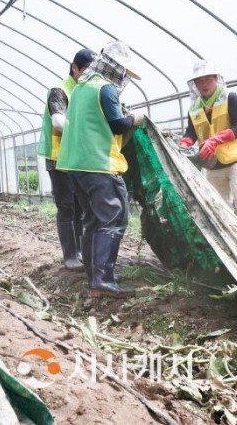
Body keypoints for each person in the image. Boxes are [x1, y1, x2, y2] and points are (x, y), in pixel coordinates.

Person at [56, 41, 145, 299]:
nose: (124, 77)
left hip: (76, 165)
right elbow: (118, 125)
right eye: (123, 72)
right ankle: (103, 280)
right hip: (99, 164)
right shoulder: (104, 88)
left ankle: (94, 275)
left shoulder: (82, 86)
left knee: (93, 220)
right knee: (113, 218)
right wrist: (136, 118)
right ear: (114, 68)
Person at [38, 48, 96, 272]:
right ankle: (70, 255)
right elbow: (58, 122)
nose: (90, 76)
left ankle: (81, 252)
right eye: (86, 71)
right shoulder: (60, 90)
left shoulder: (86, 91)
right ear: (75, 68)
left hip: (78, 158)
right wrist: (86, 133)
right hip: (59, 158)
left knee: (81, 206)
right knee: (66, 207)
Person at [179, 60, 237, 228]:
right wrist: (185, 143)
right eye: (200, 81)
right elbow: (191, 132)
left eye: (208, 79)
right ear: (195, 85)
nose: (204, 84)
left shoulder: (230, 97)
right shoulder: (195, 107)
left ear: (216, 79)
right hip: (212, 163)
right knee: (220, 205)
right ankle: (231, 241)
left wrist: (214, 140)